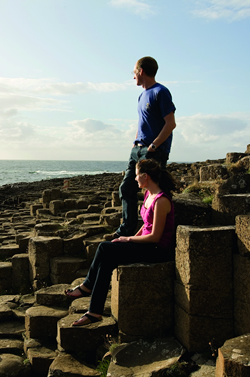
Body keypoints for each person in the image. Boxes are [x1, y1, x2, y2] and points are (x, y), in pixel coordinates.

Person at [65, 159, 176, 326]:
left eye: (137, 175)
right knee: (107, 261)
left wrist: (128, 239)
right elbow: (146, 226)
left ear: (145, 176)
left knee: (103, 247)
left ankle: (87, 286)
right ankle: (94, 312)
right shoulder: (148, 195)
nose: (135, 178)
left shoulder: (161, 200)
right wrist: (130, 238)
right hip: (145, 244)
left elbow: (155, 236)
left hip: (156, 250)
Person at [115, 56, 176, 237]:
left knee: (155, 192)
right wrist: (135, 144)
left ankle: (154, 233)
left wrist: (154, 146)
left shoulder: (161, 91)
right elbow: (142, 123)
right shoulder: (141, 95)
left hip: (153, 151)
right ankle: (127, 230)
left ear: (141, 71)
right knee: (126, 188)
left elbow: (170, 123)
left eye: (134, 72)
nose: (133, 76)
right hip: (137, 150)